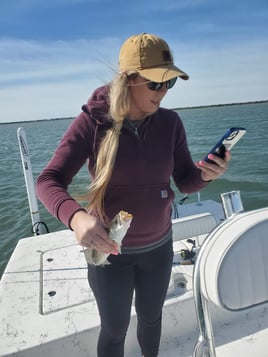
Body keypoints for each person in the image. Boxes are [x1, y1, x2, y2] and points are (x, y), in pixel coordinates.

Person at [36, 33, 230, 357]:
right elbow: (49, 180)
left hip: (159, 249)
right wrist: (75, 217)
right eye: (155, 83)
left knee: (152, 320)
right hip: (110, 254)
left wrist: (205, 175)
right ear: (129, 80)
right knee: (114, 330)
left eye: (170, 83)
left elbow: (184, 181)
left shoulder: (171, 123)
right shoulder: (92, 123)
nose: (164, 92)